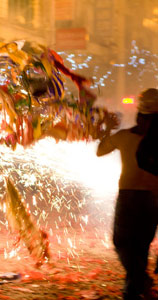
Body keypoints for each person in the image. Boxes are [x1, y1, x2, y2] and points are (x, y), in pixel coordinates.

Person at [97, 88, 158, 300]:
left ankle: (139, 281)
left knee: (123, 243)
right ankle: (133, 289)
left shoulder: (124, 137)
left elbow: (100, 150)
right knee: (140, 246)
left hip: (131, 197)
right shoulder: (128, 137)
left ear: (140, 115)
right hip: (152, 199)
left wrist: (106, 130)